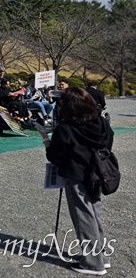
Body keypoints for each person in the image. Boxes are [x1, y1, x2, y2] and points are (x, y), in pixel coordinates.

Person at [35, 87, 114, 275]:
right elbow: (108, 144)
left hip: (76, 176)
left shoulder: (66, 129)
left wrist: (45, 137)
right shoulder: (101, 123)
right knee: (94, 212)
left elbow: (55, 157)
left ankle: (93, 263)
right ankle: (101, 255)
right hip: (97, 174)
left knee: (83, 217)